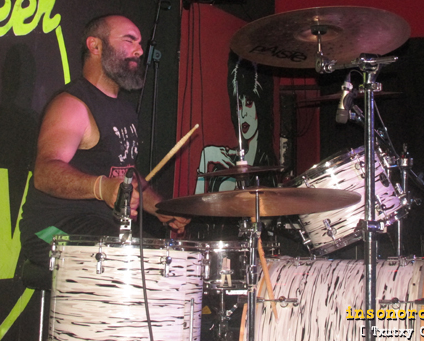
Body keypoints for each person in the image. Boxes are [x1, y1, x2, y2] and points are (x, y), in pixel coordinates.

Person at [19, 14, 189, 267]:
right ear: (95, 46)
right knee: (142, 261)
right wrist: (101, 187)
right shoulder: (72, 104)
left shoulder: (125, 110)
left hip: (103, 228)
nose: (140, 50)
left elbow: (124, 175)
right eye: (129, 40)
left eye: (139, 43)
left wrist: (161, 208)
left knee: (169, 259)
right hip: (52, 230)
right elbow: (44, 173)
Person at [194, 52, 277, 194]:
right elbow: (198, 206)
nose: (243, 114)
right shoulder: (224, 164)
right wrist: (204, 160)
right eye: (239, 104)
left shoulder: (267, 169)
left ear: (260, 106)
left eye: (249, 103)